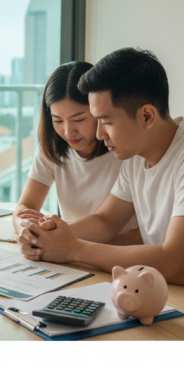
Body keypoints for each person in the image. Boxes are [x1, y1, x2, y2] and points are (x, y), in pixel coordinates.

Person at [18, 47, 184, 324]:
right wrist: (45, 240)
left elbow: (176, 263)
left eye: (106, 121)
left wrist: (73, 248)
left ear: (147, 116)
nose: (100, 135)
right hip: (165, 306)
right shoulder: (135, 158)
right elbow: (106, 220)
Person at [13, 61, 136, 239]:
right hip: (68, 251)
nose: (68, 132)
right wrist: (25, 229)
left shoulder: (125, 152)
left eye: (79, 120)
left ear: (98, 111)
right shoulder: (54, 148)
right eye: (58, 121)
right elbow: (25, 206)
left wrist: (56, 238)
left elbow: (110, 223)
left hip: (115, 254)